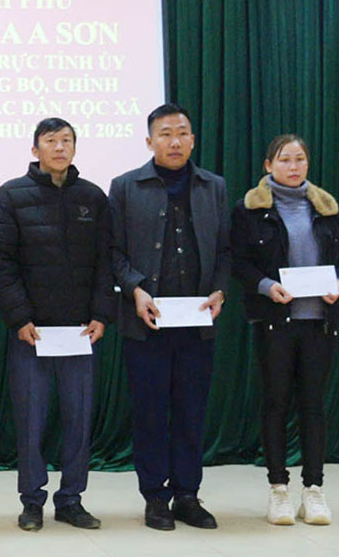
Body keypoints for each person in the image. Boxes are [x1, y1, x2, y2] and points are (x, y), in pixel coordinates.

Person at [109, 103, 230, 530]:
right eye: (164, 134)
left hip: (197, 323)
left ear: (193, 139)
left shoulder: (213, 186)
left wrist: (220, 290)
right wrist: (136, 289)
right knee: (149, 413)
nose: (174, 141)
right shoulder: (125, 187)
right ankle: (155, 497)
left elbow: (226, 251)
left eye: (181, 133)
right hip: (147, 322)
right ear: (149, 142)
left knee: (191, 411)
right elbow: (114, 253)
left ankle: (188, 494)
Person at [0, 118, 113, 531]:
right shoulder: (9, 195)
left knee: (78, 420)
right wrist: (20, 318)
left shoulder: (92, 197)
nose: (59, 147)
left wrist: (100, 314)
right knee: (31, 422)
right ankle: (31, 500)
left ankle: (72, 499)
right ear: (35, 149)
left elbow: (104, 261)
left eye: (67, 140)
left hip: (79, 332)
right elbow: (2, 264)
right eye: (50, 141)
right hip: (33, 333)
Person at [231, 134, 339, 526]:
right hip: (276, 321)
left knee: (314, 406)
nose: (293, 167)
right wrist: (266, 287)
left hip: (319, 323)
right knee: (276, 403)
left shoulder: (327, 209)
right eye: (285, 160)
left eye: (300, 160)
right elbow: (240, 263)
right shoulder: (249, 210)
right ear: (268, 165)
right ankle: (278, 488)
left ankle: (313, 490)